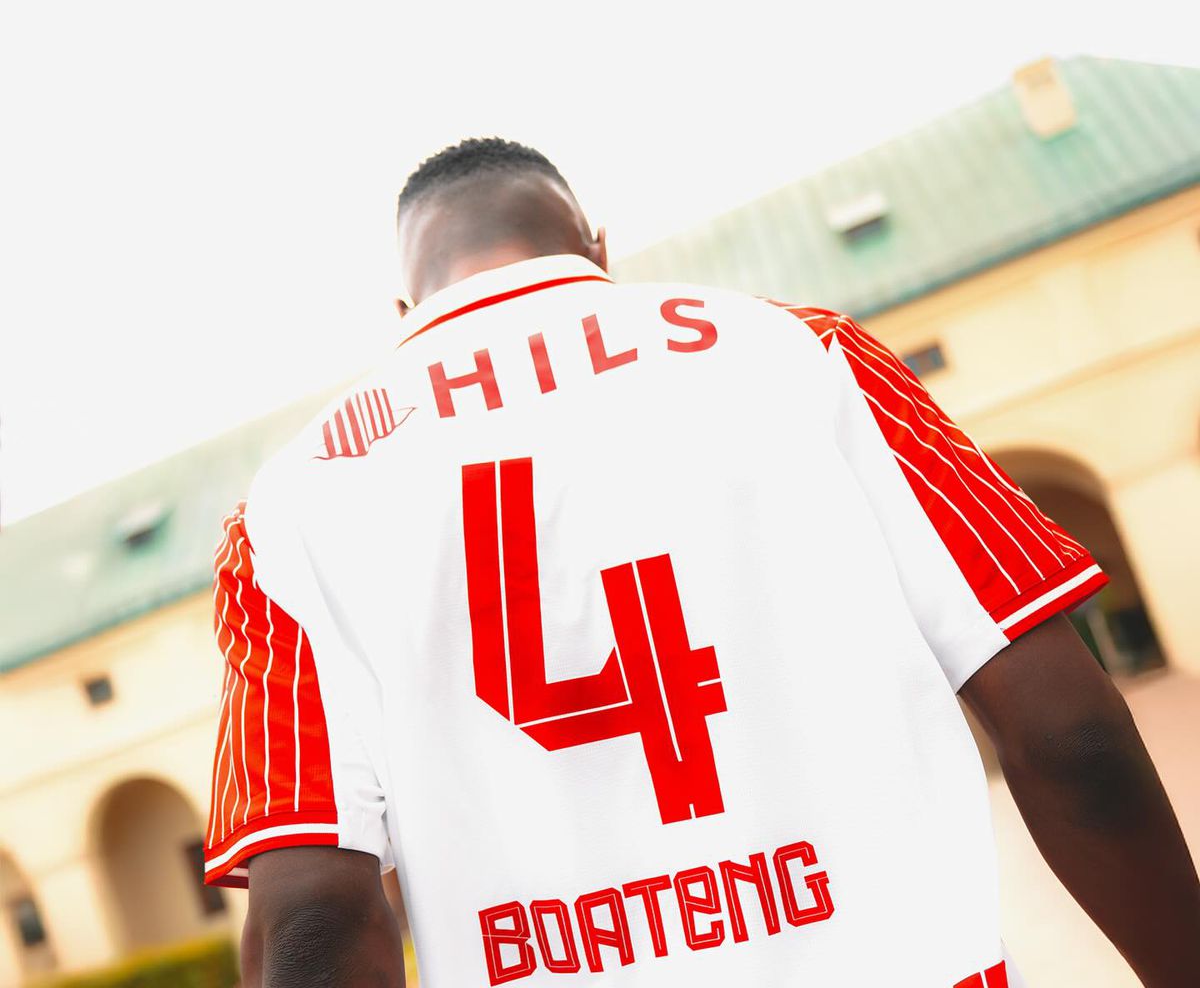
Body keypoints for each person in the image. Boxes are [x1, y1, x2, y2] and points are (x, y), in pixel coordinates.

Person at [203, 138, 1199, 987]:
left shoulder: (287, 515)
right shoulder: (804, 355)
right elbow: (1072, 741)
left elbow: (316, 919)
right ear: (597, 248)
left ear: (404, 306)